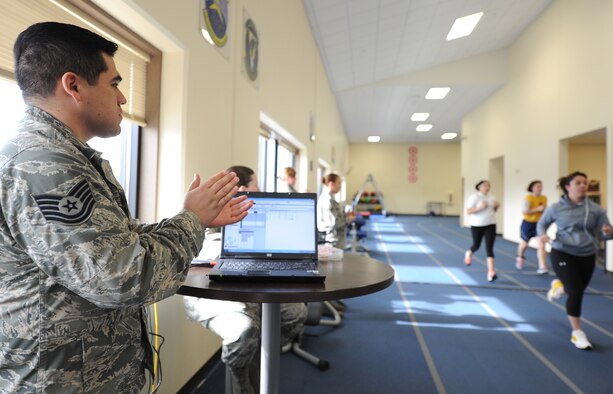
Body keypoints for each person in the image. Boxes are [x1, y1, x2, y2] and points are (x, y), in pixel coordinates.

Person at [0, 22, 252, 393]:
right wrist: (192, 220)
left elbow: (114, 241)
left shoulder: (66, 158)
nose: (122, 99)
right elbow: (123, 278)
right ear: (73, 85)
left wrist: (192, 218)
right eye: (115, 83)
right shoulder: (45, 165)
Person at [184, 165, 307, 394]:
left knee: (296, 312)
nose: (259, 189)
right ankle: (242, 380)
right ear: (243, 188)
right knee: (246, 331)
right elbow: (199, 255)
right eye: (256, 184)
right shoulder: (213, 213)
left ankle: (258, 357)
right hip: (214, 293)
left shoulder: (255, 211)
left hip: (251, 288)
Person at [537, 171, 613, 350]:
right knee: (576, 292)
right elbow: (541, 224)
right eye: (578, 182)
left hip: (587, 254)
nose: (582, 186)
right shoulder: (556, 208)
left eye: (584, 183)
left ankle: (559, 286)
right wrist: (542, 235)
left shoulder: (596, 210)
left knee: (575, 289)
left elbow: (606, 234)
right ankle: (577, 332)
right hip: (562, 252)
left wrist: (608, 232)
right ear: (567, 186)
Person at [464, 180, 500, 282]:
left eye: (488, 185)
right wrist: (479, 208)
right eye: (485, 186)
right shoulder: (474, 197)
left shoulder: (492, 197)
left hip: (491, 224)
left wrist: (496, 206)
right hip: (477, 224)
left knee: (490, 248)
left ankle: (491, 272)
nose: (487, 187)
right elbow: (468, 211)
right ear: (479, 187)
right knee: (476, 245)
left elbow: (494, 210)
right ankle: (468, 253)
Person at [516, 180, 548, 274]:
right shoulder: (528, 198)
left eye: (541, 186)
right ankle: (520, 256)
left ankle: (542, 266)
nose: (540, 188)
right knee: (525, 244)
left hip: (539, 224)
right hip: (528, 223)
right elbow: (525, 211)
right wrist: (537, 209)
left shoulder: (544, 198)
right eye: (538, 186)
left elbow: (544, 210)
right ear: (532, 188)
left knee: (541, 245)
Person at [318, 173, 354, 250]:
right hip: (332, 242)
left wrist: (345, 215)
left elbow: (335, 216)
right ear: (331, 184)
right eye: (339, 183)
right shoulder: (327, 201)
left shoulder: (330, 199)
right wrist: (349, 219)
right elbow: (333, 223)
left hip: (336, 240)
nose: (340, 186)